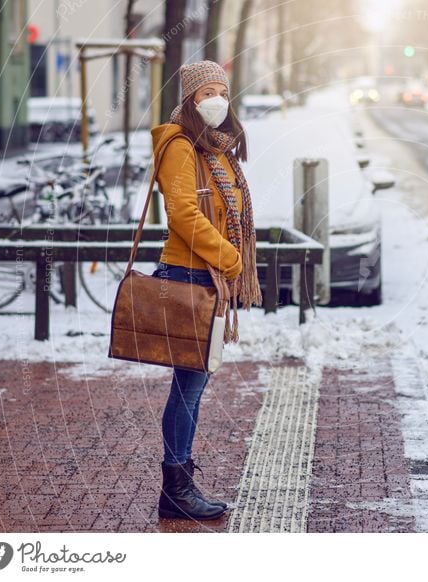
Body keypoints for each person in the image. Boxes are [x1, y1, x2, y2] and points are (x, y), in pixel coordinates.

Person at [149, 60, 262, 521]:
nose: (216, 98)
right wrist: (231, 258)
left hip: (209, 278)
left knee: (192, 385)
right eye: (206, 91)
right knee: (188, 387)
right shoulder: (180, 145)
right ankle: (175, 489)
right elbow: (183, 215)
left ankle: (178, 484)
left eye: (222, 90)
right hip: (191, 276)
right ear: (190, 99)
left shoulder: (217, 150)